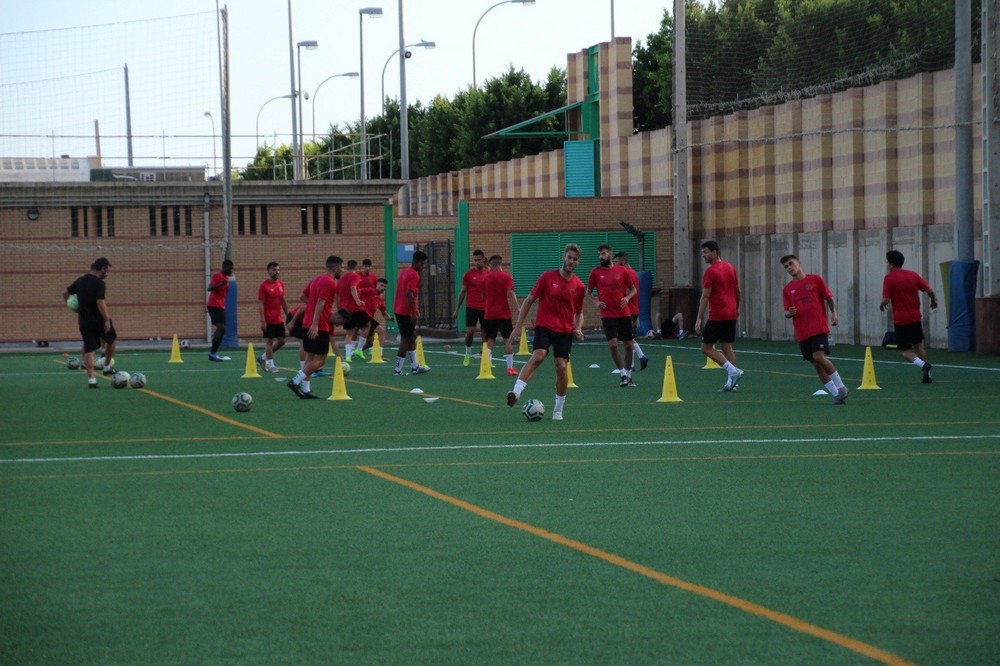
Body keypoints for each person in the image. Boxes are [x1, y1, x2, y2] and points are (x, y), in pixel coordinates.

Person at [506, 243, 586, 421]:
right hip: (544, 325)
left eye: (575, 259)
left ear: (578, 262)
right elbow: (529, 300)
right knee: (539, 355)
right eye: (569, 257)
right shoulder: (547, 277)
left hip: (564, 331)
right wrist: (518, 326)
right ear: (563, 257)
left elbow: (579, 313)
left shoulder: (579, 287)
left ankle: (558, 410)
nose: (571, 261)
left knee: (561, 367)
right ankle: (516, 393)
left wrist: (578, 328)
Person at [780, 254, 849, 404]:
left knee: (819, 356)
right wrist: (788, 313)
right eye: (786, 267)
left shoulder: (815, 279)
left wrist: (834, 315)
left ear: (799, 262)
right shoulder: (787, 290)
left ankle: (841, 387)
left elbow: (829, 298)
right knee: (816, 365)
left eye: (791, 264)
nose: (789, 268)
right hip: (802, 332)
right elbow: (786, 311)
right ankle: (836, 395)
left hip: (818, 327)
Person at [287, 256, 342, 399]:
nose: (342, 270)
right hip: (319, 325)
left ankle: (306, 390)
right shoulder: (330, 282)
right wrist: (316, 323)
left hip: (307, 322)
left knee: (310, 357)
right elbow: (321, 302)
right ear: (336, 268)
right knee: (321, 359)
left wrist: (311, 309)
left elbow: (302, 296)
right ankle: (295, 381)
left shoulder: (316, 279)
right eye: (341, 268)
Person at [880, 249, 938, 383]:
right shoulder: (913, 275)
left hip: (901, 320)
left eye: (888, 262)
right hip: (915, 317)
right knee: (919, 346)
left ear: (892, 264)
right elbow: (929, 290)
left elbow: (886, 300)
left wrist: (881, 305)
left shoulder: (889, 278)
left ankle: (923, 365)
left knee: (905, 351)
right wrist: (934, 301)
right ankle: (928, 375)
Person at [694, 240, 744, 391]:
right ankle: (733, 383)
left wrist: (698, 318)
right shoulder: (730, 267)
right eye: (702, 252)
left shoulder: (710, 272)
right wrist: (736, 308)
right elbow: (738, 291)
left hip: (718, 315)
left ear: (714, 252)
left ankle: (732, 370)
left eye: (706, 252)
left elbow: (705, 296)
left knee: (705, 347)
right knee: (727, 346)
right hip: (730, 314)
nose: (703, 255)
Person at [589, 244, 638, 387]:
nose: (601, 257)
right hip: (607, 314)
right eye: (599, 254)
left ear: (610, 253)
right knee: (613, 345)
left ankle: (629, 375)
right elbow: (588, 292)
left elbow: (633, 290)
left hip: (623, 313)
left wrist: (627, 298)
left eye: (603, 253)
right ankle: (622, 374)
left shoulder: (622, 270)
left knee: (629, 345)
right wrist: (596, 302)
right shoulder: (595, 272)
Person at [63, 257, 117, 388]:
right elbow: (100, 302)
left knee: (89, 348)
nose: (107, 272)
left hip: (84, 320)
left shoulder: (80, 280)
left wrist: (72, 307)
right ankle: (107, 367)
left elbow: (65, 293)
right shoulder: (99, 283)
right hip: (99, 320)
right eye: (106, 269)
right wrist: (107, 320)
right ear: (102, 269)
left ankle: (92, 380)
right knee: (111, 340)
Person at [393, 250, 430, 375]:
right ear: (416, 262)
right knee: (406, 339)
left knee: (412, 337)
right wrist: (413, 312)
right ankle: (397, 370)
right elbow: (409, 294)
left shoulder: (404, 271)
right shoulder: (414, 274)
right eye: (422, 264)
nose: (423, 267)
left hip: (398, 309)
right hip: (405, 312)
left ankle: (415, 367)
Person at [482, 254, 520, 375]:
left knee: (490, 340)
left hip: (489, 314)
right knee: (507, 339)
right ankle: (510, 368)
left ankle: (487, 366)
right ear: (500, 264)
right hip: (503, 313)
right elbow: (510, 293)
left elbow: (483, 295)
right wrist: (519, 308)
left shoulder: (486, 278)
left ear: (491, 265)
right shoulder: (506, 277)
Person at [614, 251, 651, 369]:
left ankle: (635, 362)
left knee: (627, 338)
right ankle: (639, 359)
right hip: (633, 309)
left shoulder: (627, 274)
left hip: (628, 309)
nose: (614, 265)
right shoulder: (633, 272)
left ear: (623, 261)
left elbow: (625, 291)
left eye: (616, 262)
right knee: (628, 337)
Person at [453, 249, 489, 366]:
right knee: (469, 332)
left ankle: (485, 356)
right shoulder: (469, 274)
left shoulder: (489, 273)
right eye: (475, 260)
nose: (477, 262)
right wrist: (457, 309)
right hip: (472, 307)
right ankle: (468, 353)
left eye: (479, 260)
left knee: (485, 332)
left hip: (486, 308)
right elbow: (463, 292)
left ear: (484, 259)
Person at [257, 261, 289, 373]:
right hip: (269, 319)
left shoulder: (280, 284)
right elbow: (260, 304)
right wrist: (262, 321)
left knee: (282, 341)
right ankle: (270, 365)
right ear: (269, 271)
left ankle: (263, 358)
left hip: (278, 319)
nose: (277, 272)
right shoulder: (264, 286)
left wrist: (288, 315)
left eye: (278, 270)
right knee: (269, 342)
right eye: (274, 270)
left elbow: (283, 300)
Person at [337, 259, 369, 361]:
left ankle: (348, 356)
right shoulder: (355, 276)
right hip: (356, 308)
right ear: (356, 268)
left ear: (347, 267)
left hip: (345, 309)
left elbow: (337, 294)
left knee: (349, 333)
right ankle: (359, 349)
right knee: (367, 325)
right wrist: (358, 300)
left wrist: (340, 307)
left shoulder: (341, 278)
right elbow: (353, 287)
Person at [206, 259, 234, 362]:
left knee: (222, 329)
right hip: (214, 305)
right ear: (224, 267)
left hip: (220, 306)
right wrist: (220, 284)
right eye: (229, 268)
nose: (231, 270)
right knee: (221, 328)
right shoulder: (218, 276)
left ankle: (214, 352)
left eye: (232, 268)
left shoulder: (226, 278)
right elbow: (209, 288)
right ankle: (213, 353)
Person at [359, 277, 392, 355]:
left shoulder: (380, 299)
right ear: (377, 284)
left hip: (369, 320)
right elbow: (357, 290)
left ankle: (354, 353)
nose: (383, 288)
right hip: (364, 316)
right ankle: (379, 354)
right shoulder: (370, 291)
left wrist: (390, 318)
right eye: (381, 285)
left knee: (369, 343)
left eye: (385, 287)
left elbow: (383, 312)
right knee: (382, 331)